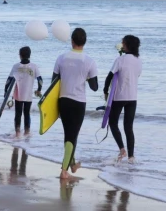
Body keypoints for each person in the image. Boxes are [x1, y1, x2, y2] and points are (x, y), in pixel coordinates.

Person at [52, 28, 98, 179]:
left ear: (72, 41)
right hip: (78, 102)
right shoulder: (89, 61)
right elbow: (94, 87)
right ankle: (64, 171)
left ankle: (71, 165)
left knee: (68, 134)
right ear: (84, 42)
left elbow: (54, 82)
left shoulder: (61, 58)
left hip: (63, 100)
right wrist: (84, 76)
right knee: (72, 135)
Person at [103, 35, 142, 164]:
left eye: (123, 43)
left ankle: (122, 149)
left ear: (127, 45)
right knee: (128, 127)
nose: (122, 44)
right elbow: (137, 75)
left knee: (113, 123)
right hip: (132, 97)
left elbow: (109, 77)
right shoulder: (138, 61)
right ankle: (131, 157)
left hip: (119, 96)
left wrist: (105, 91)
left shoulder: (120, 60)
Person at [5, 46, 43, 135]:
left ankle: (17, 133)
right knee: (27, 113)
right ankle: (27, 132)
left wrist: (5, 90)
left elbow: (9, 80)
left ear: (20, 55)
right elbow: (40, 80)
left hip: (18, 94)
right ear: (29, 55)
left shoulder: (16, 66)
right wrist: (39, 90)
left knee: (18, 114)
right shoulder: (34, 67)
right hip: (28, 94)